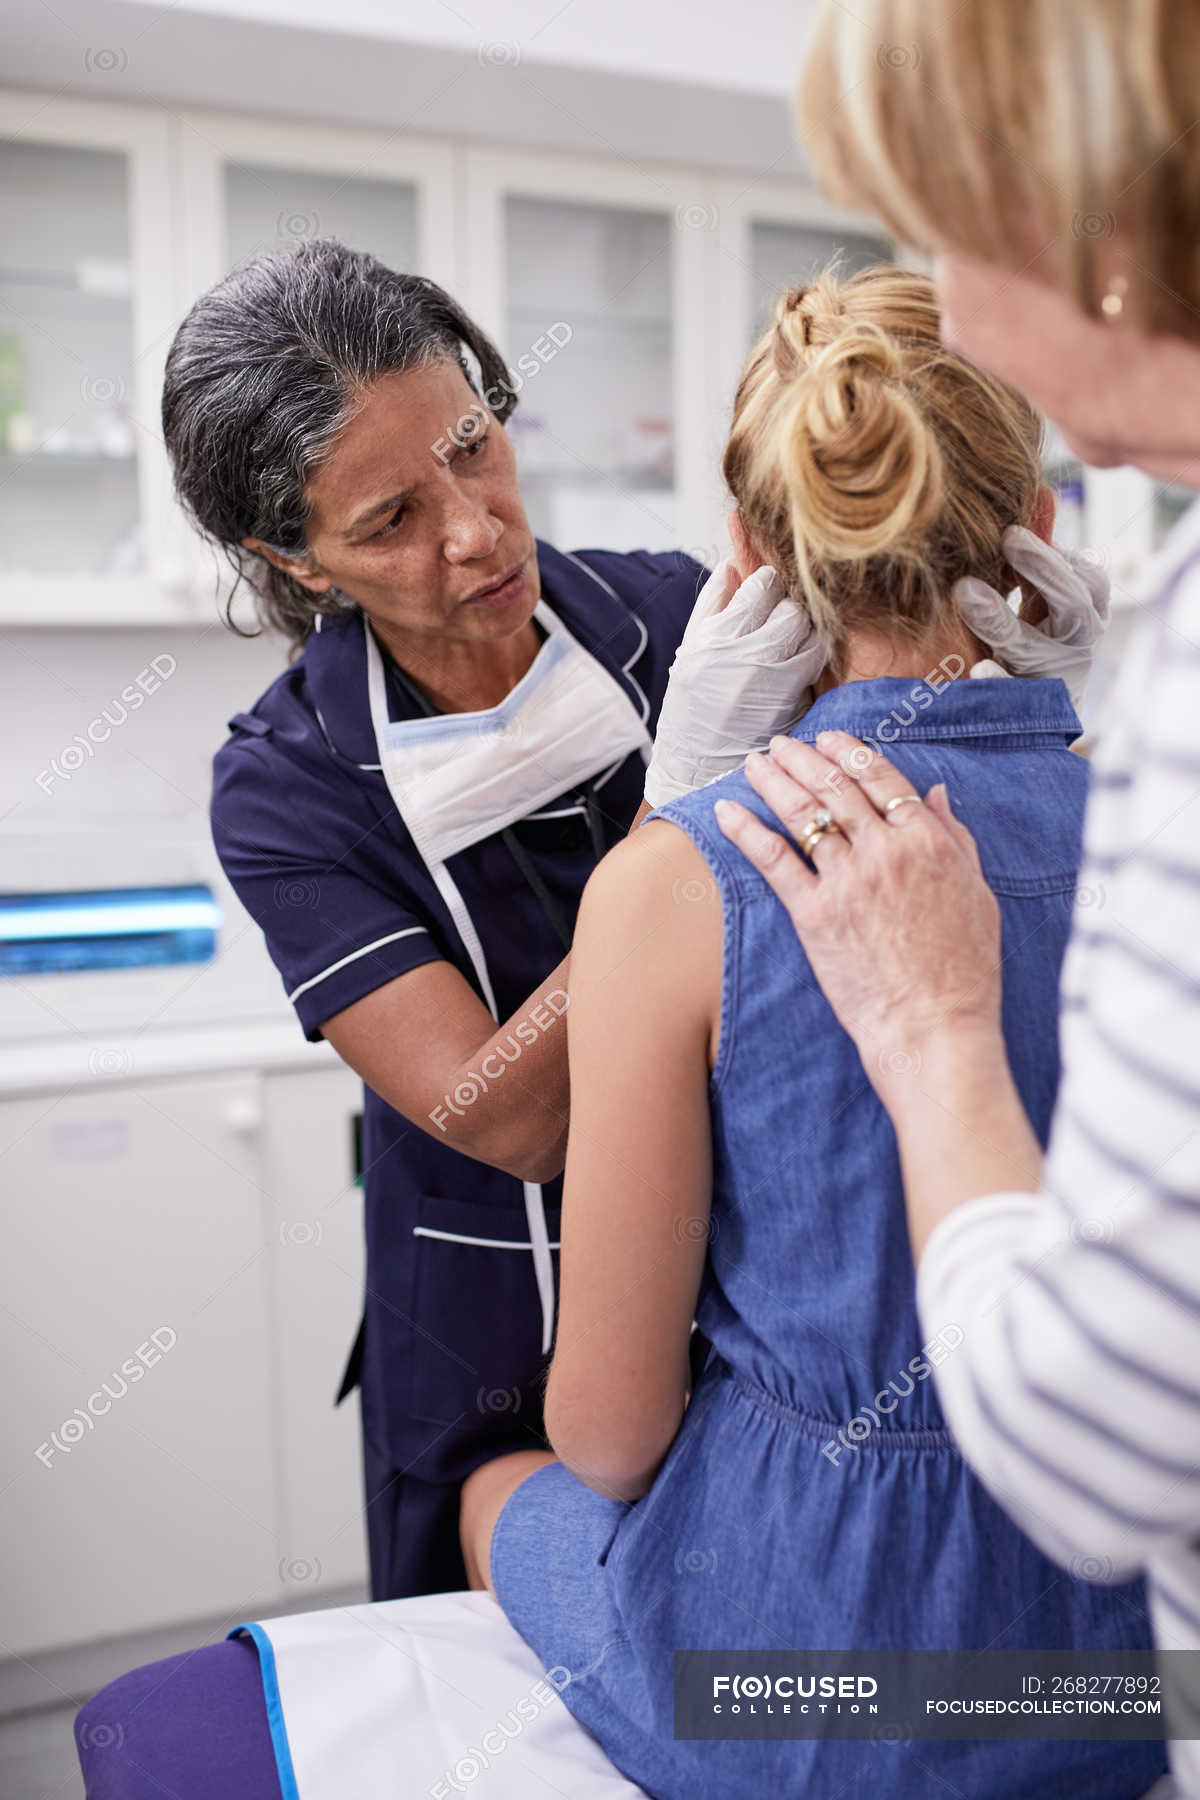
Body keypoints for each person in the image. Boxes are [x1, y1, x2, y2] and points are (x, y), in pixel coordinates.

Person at [457, 264, 1167, 1800]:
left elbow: (612, 1434)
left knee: (504, 1490)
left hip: (814, 1681)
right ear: (1040, 529)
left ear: (751, 558)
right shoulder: (1160, 827)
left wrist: (672, 816)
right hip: (1120, 1662)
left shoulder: (677, 883)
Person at [167, 238, 821, 1603]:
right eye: (391, 519)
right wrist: (680, 814)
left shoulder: (668, 622)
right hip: (494, 1355)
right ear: (294, 559)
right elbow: (507, 1112)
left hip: (764, 1311)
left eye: (473, 447)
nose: (473, 528)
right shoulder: (290, 788)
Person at [712, 3, 1200, 1793]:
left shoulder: (694, 871)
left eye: (954, 222)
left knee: (520, 1496)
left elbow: (1098, 1445)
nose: (960, 303)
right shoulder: (1106, 742)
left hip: (870, 1683)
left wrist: (934, 1025)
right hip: (1120, 1700)